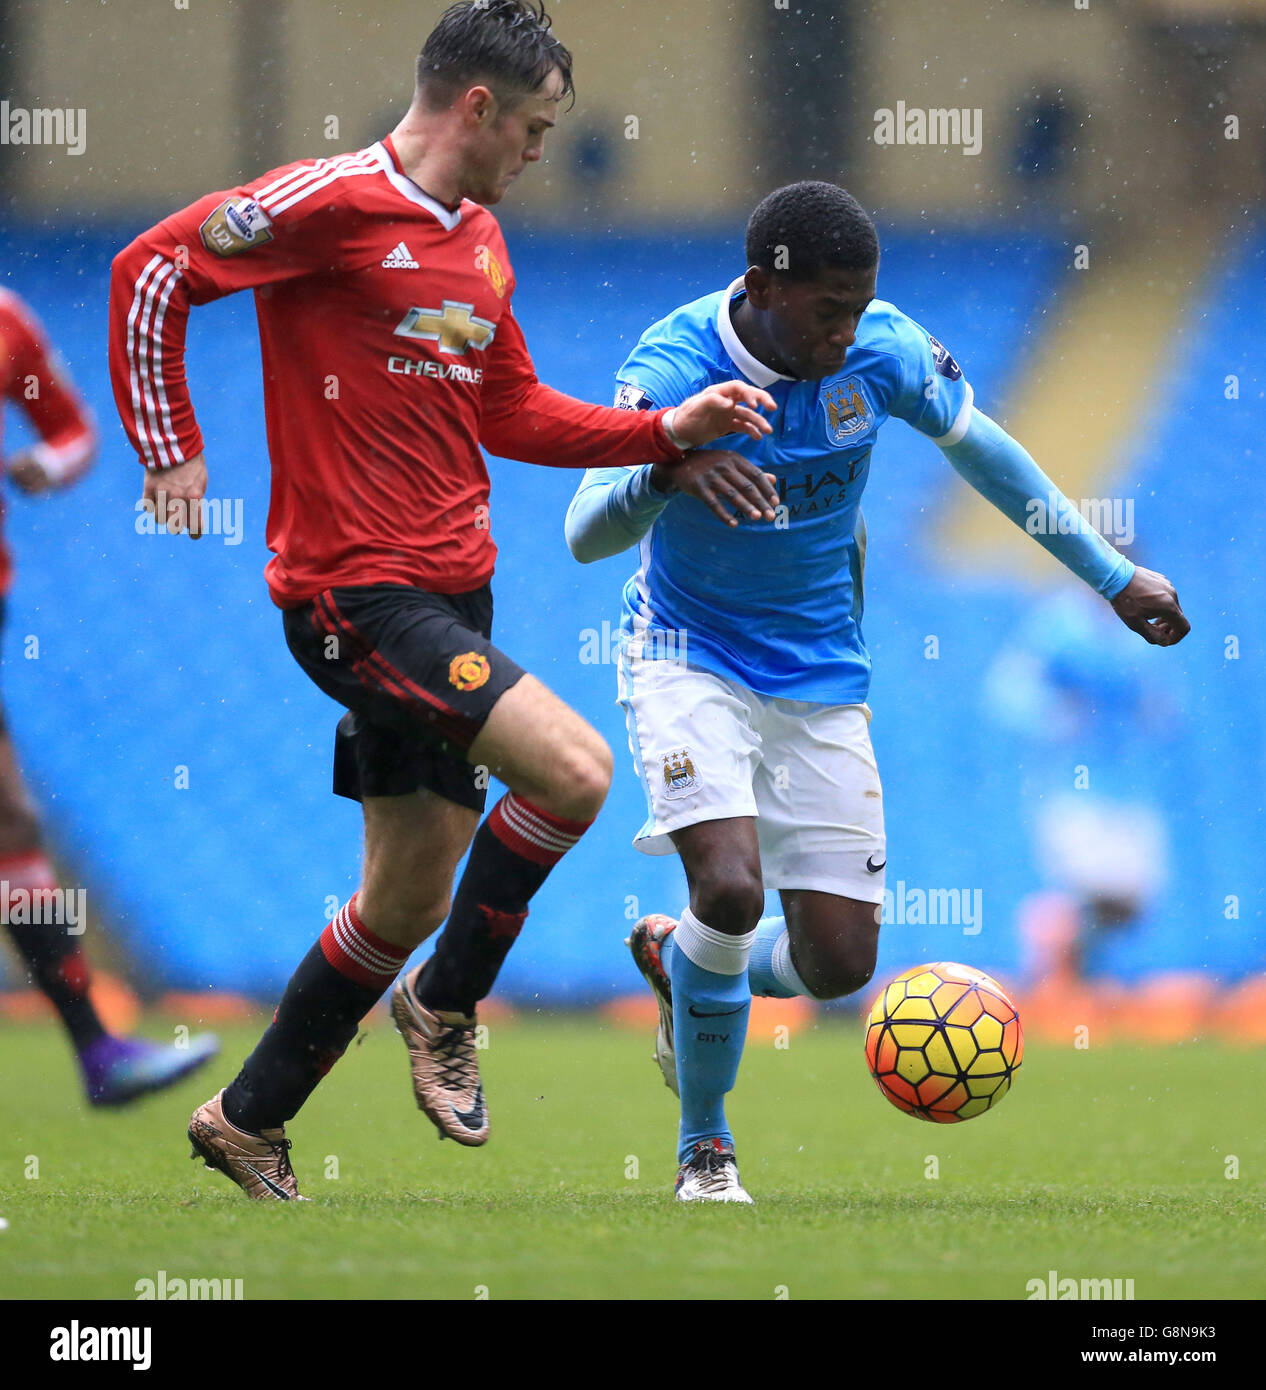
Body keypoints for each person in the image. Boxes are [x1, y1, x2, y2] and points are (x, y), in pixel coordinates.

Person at [106, 0, 773, 1200]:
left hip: (456, 600)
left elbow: (510, 410)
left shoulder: (478, 242)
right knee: (572, 772)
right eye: (533, 127)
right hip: (357, 596)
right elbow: (151, 268)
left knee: (407, 890)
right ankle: (446, 1002)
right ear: (477, 106)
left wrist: (662, 432)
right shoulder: (328, 203)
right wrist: (169, 447)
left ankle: (248, 1119)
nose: (539, 151)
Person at [559, 181, 1190, 1201]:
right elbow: (584, 533)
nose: (847, 330)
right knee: (728, 884)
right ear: (764, 286)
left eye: (860, 306)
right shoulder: (677, 363)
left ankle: (687, 964)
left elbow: (983, 451)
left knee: (842, 962)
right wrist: (666, 465)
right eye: (828, 310)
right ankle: (705, 1148)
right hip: (688, 652)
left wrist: (1111, 579)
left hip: (820, 669)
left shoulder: (883, 348)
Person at [0, 286, 218, 1104]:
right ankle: (96, 1051)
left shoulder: (9, 320)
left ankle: (97, 1052)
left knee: (12, 823)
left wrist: (44, 467)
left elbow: (72, 429)